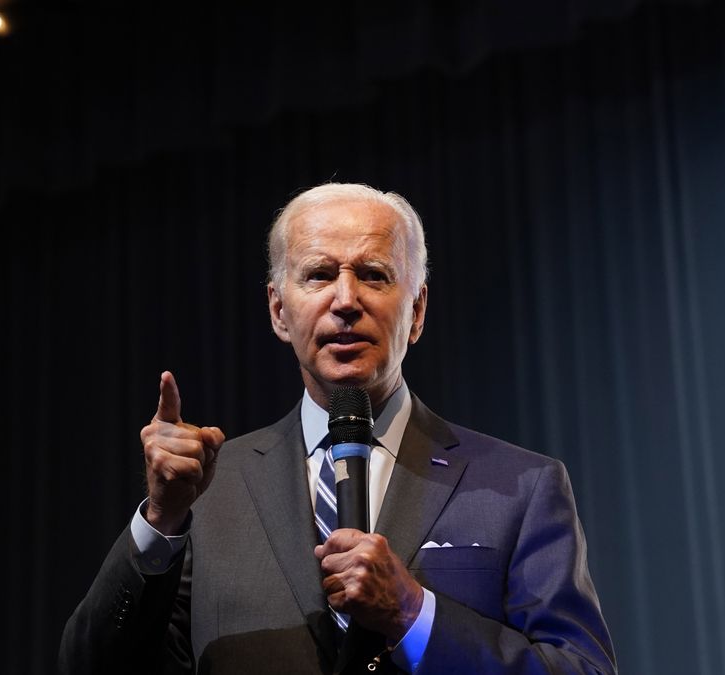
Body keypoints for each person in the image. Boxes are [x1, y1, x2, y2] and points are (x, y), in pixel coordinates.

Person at [59, 183, 616, 674]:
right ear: (279, 311)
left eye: (373, 275)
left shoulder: (522, 486)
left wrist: (412, 613)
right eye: (319, 275)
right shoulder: (211, 488)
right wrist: (161, 522)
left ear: (417, 310)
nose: (346, 300)